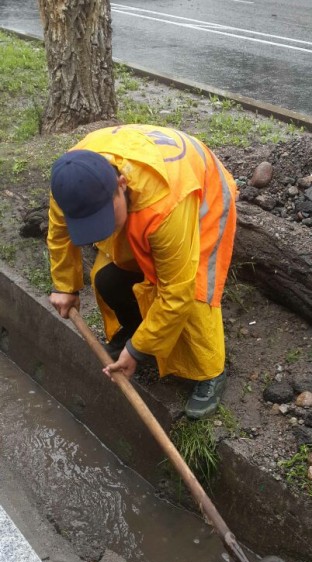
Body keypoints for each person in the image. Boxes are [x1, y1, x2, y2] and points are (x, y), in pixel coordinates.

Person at [47, 124, 237, 419]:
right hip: (143, 193)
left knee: (195, 290)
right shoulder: (71, 183)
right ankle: (139, 328)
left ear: (121, 184)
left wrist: (137, 351)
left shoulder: (165, 204)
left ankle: (210, 372)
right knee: (107, 275)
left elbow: (177, 291)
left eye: (105, 217)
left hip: (199, 193)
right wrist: (65, 286)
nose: (103, 229)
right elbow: (60, 233)